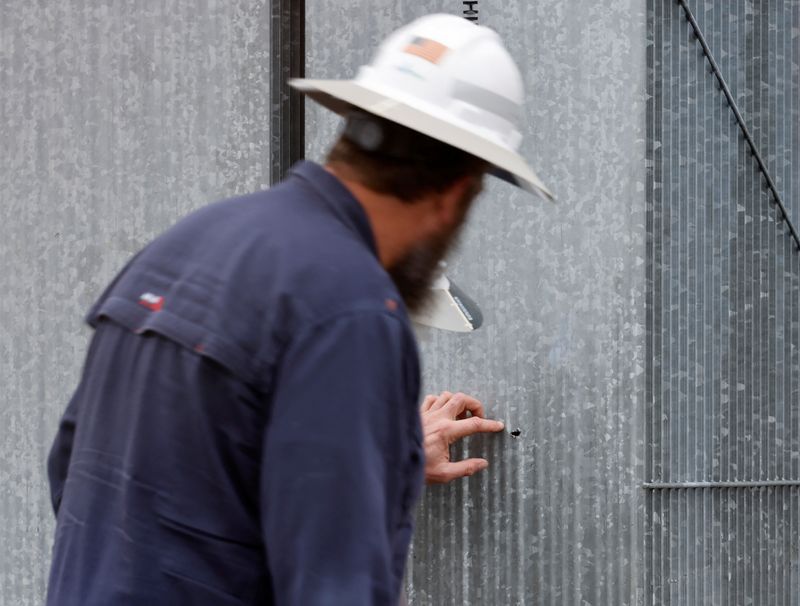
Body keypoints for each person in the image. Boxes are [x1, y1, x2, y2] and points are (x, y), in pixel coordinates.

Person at [46, 13, 551, 606]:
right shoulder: (351, 307)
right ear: (458, 193)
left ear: (350, 130)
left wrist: (384, 455)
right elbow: (336, 586)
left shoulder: (187, 243)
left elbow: (80, 470)